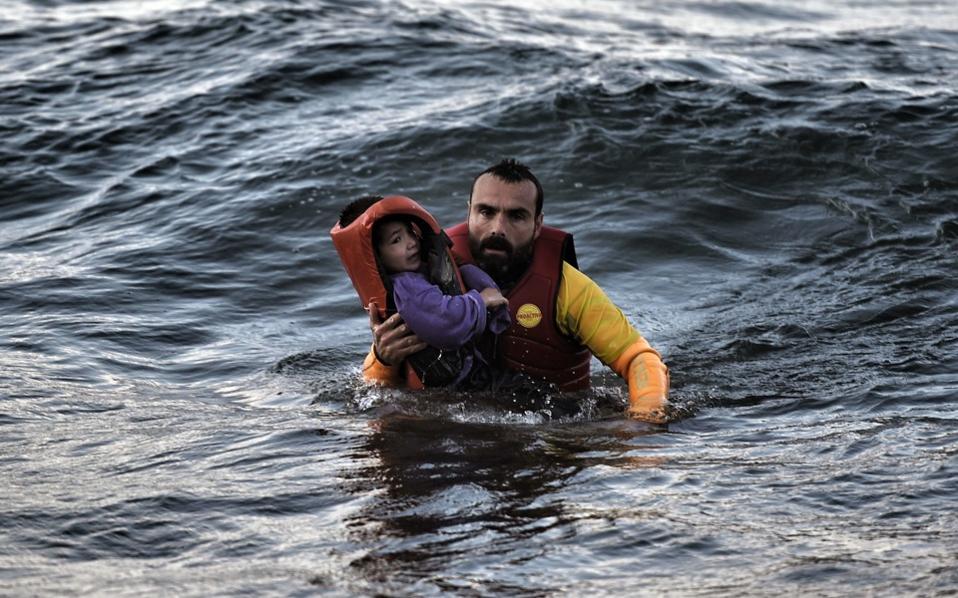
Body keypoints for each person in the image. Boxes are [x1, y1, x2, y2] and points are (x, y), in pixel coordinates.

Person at [361, 160, 670, 423]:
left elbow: (640, 360)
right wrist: (383, 359)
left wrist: (643, 423)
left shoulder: (567, 288)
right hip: (448, 434)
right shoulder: (425, 275)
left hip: (549, 436)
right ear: (469, 212)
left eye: (516, 216)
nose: (498, 228)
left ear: (538, 225)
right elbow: (374, 387)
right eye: (486, 212)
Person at [332, 195, 511, 388]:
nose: (411, 242)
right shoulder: (407, 287)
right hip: (456, 387)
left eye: (410, 232)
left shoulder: (423, 270)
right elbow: (444, 322)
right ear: (376, 257)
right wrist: (480, 300)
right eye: (396, 240)